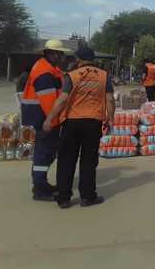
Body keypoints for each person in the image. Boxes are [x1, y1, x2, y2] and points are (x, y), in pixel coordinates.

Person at [43, 47, 115, 209]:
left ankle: (63, 198)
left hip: (72, 122)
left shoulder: (72, 75)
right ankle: (88, 197)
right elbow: (110, 99)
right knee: (89, 160)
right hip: (93, 122)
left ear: (79, 59)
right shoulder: (104, 76)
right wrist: (110, 119)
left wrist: (49, 119)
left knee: (67, 159)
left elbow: (62, 100)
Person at [21, 39, 70, 201]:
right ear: (52, 53)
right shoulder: (44, 73)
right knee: (44, 153)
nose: (62, 56)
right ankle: (40, 189)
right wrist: (54, 121)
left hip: (40, 117)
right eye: (60, 53)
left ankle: (41, 183)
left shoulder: (48, 68)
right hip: (44, 119)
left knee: (45, 152)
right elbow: (49, 102)